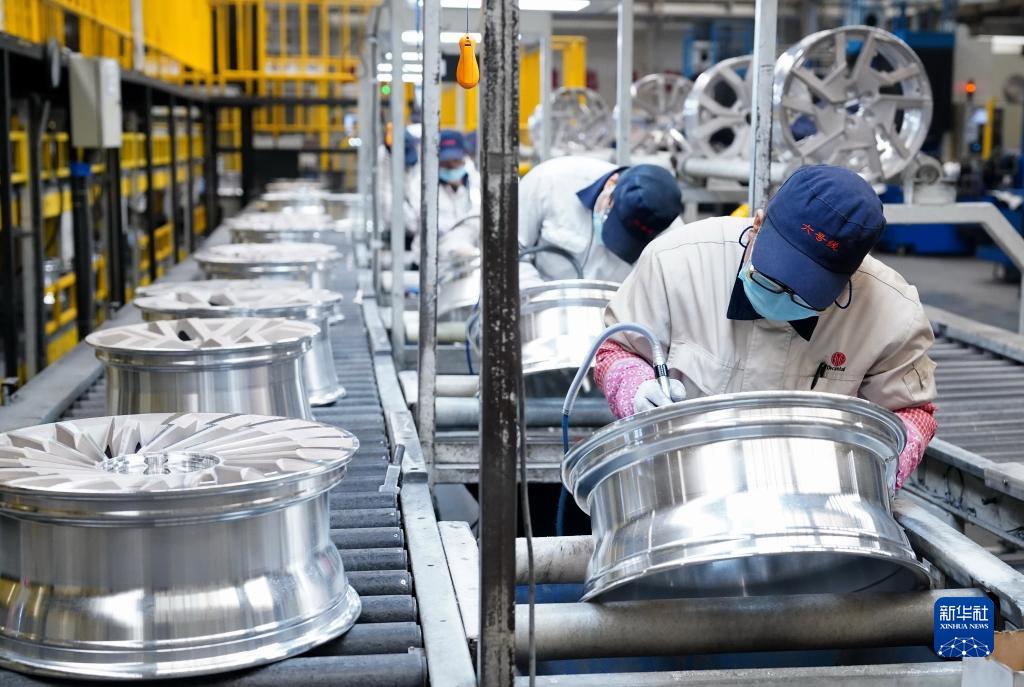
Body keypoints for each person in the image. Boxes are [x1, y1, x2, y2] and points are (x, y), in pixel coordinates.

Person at [594, 164, 937, 490]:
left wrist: (881, 469)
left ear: (849, 276)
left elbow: (914, 411)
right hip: (680, 484)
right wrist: (634, 388)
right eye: (770, 279)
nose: (782, 299)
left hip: (812, 499)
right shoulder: (677, 262)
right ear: (757, 225)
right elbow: (615, 349)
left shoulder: (892, 314)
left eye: (805, 295)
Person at [518, 156, 683, 285]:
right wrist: (539, 299)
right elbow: (512, 252)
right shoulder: (550, 182)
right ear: (611, 183)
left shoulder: (672, 238)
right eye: (613, 225)